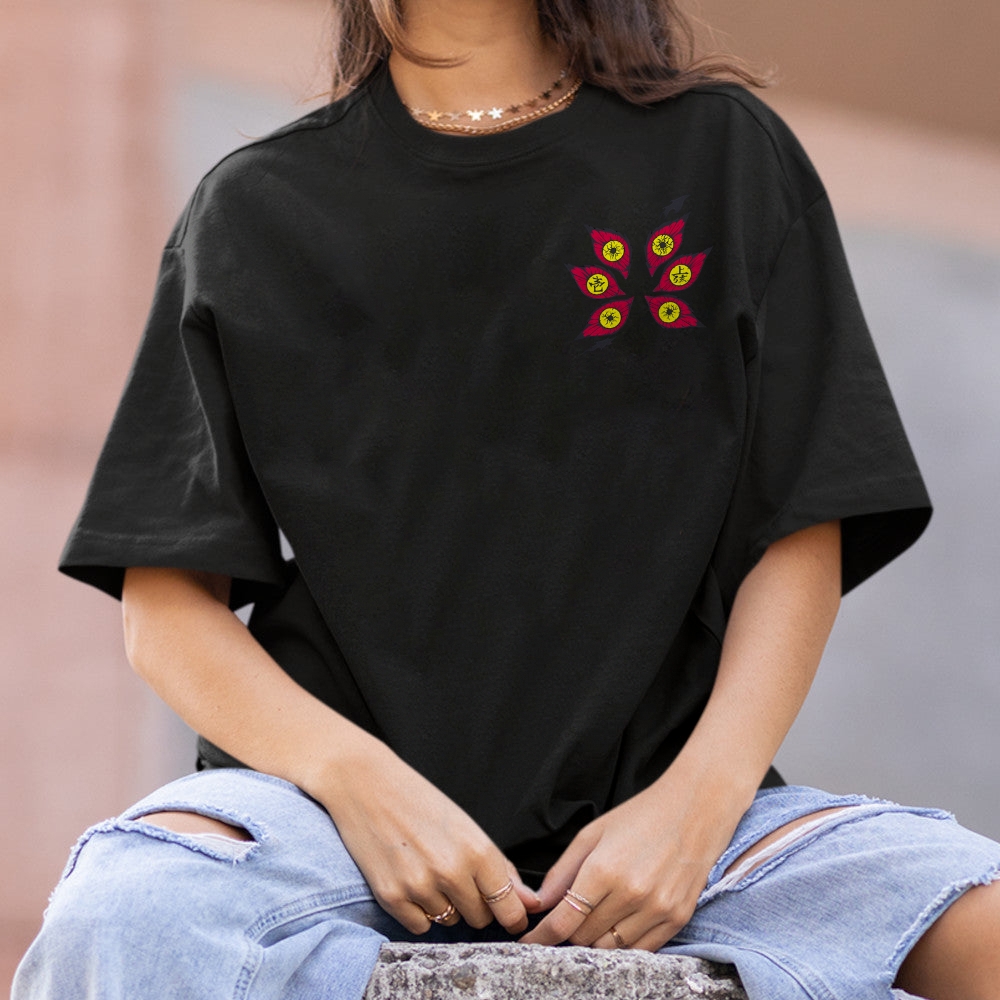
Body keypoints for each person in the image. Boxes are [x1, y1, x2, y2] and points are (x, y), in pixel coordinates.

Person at [13, 1, 1000, 998]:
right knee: (123, 915)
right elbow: (165, 607)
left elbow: (802, 522)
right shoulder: (255, 210)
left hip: (689, 824)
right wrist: (361, 786)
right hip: (323, 828)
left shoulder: (723, 157)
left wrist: (698, 806)